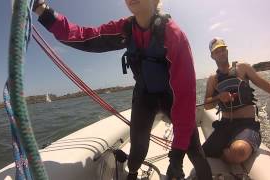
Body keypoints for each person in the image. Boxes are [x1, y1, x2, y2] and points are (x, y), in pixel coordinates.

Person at [33, 0, 212, 179]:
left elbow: (185, 95)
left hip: (172, 97)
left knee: (194, 149)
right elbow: (83, 36)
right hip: (144, 97)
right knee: (137, 151)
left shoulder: (174, 35)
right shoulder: (125, 29)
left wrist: (177, 156)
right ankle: (132, 174)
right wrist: (43, 10)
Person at [202, 38, 270, 164]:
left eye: (223, 49)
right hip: (225, 125)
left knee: (238, 151)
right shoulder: (213, 79)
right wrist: (218, 97)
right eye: (217, 51)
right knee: (201, 154)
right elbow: (206, 105)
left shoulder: (243, 68)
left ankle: (228, 149)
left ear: (227, 51)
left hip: (247, 125)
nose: (221, 53)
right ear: (212, 56)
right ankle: (226, 148)